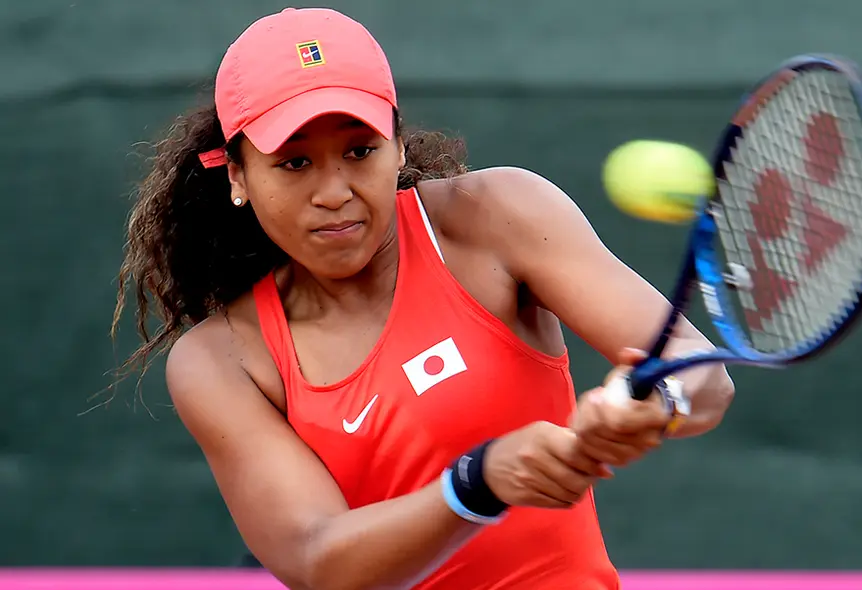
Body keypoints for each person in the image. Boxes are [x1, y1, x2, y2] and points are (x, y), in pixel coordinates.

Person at [112, 7, 735, 590]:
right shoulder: (221, 360)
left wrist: (660, 401)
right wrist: (478, 483)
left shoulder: (496, 216)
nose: (335, 192)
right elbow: (316, 560)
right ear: (239, 176)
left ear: (399, 146)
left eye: (360, 151)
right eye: (294, 163)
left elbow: (700, 372)